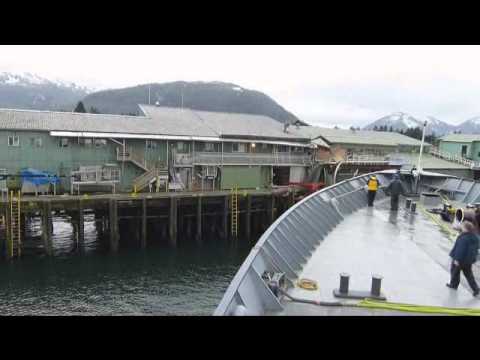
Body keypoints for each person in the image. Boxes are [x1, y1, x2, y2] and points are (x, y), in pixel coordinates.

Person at [446, 220, 480, 296]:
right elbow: (476, 250)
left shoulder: (464, 238)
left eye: (462, 226)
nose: (461, 227)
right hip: (468, 261)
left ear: (465, 228)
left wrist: (457, 260)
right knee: (469, 275)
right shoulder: (475, 237)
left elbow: (460, 250)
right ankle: (476, 289)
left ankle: (454, 285)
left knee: (454, 272)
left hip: (460, 260)